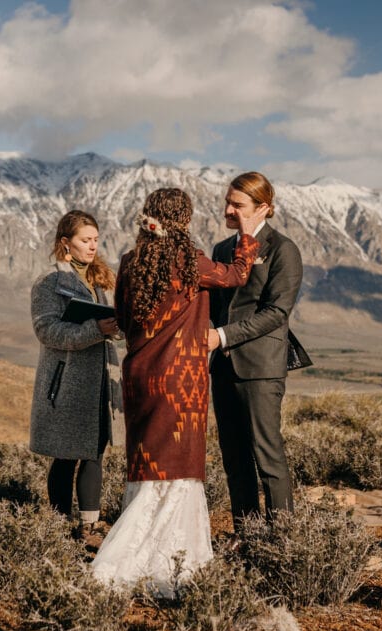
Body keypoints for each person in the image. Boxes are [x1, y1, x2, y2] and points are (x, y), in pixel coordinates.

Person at [92, 187, 259, 596]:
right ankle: (168, 563)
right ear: (182, 222)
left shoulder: (131, 263)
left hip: (140, 379)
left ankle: (137, 553)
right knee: (180, 467)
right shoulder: (189, 261)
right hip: (181, 381)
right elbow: (236, 275)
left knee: (147, 465)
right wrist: (249, 236)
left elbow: (124, 321)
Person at [208, 171, 303, 526]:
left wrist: (222, 336)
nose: (229, 210)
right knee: (234, 459)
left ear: (263, 207)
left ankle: (283, 541)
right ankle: (246, 536)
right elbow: (213, 309)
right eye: (227, 202)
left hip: (260, 368)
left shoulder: (282, 250)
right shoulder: (221, 250)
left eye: (238, 204)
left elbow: (276, 313)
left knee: (268, 456)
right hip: (222, 369)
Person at [29, 210, 122, 534]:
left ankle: (90, 525)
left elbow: (106, 326)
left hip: (99, 383)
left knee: (94, 452)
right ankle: (57, 525)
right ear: (65, 243)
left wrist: (115, 328)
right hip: (66, 383)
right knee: (66, 456)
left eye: (96, 240)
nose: (93, 246)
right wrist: (94, 329)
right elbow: (47, 331)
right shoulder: (50, 282)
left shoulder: (98, 280)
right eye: (86, 240)